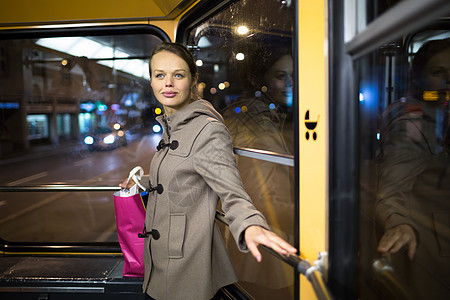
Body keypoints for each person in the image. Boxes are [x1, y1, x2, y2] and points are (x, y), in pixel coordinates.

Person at [121, 42, 297, 300]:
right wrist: (144, 182)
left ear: (192, 81)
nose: (168, 83)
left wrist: (250, 225)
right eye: (160, 75)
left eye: (178, 75)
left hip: (184, 271)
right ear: (151, 81)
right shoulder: (172, 127)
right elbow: (185, 175)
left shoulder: (207, 130)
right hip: (159, 263)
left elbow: (232, 192)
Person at [376, 37, 450, 299]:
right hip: (433, 246)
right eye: (437, 72)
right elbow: (391, 189)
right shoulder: (413, 119)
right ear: (419, 77)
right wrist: (397, 222)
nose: (447, 81)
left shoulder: (440, 106)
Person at [221, 43, 295, 299]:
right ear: (262, 79)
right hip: (265, 239)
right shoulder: (256, 120)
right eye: (281, 76)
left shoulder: (272, 115)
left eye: (294, 76)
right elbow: (261, 193)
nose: (290, 83)